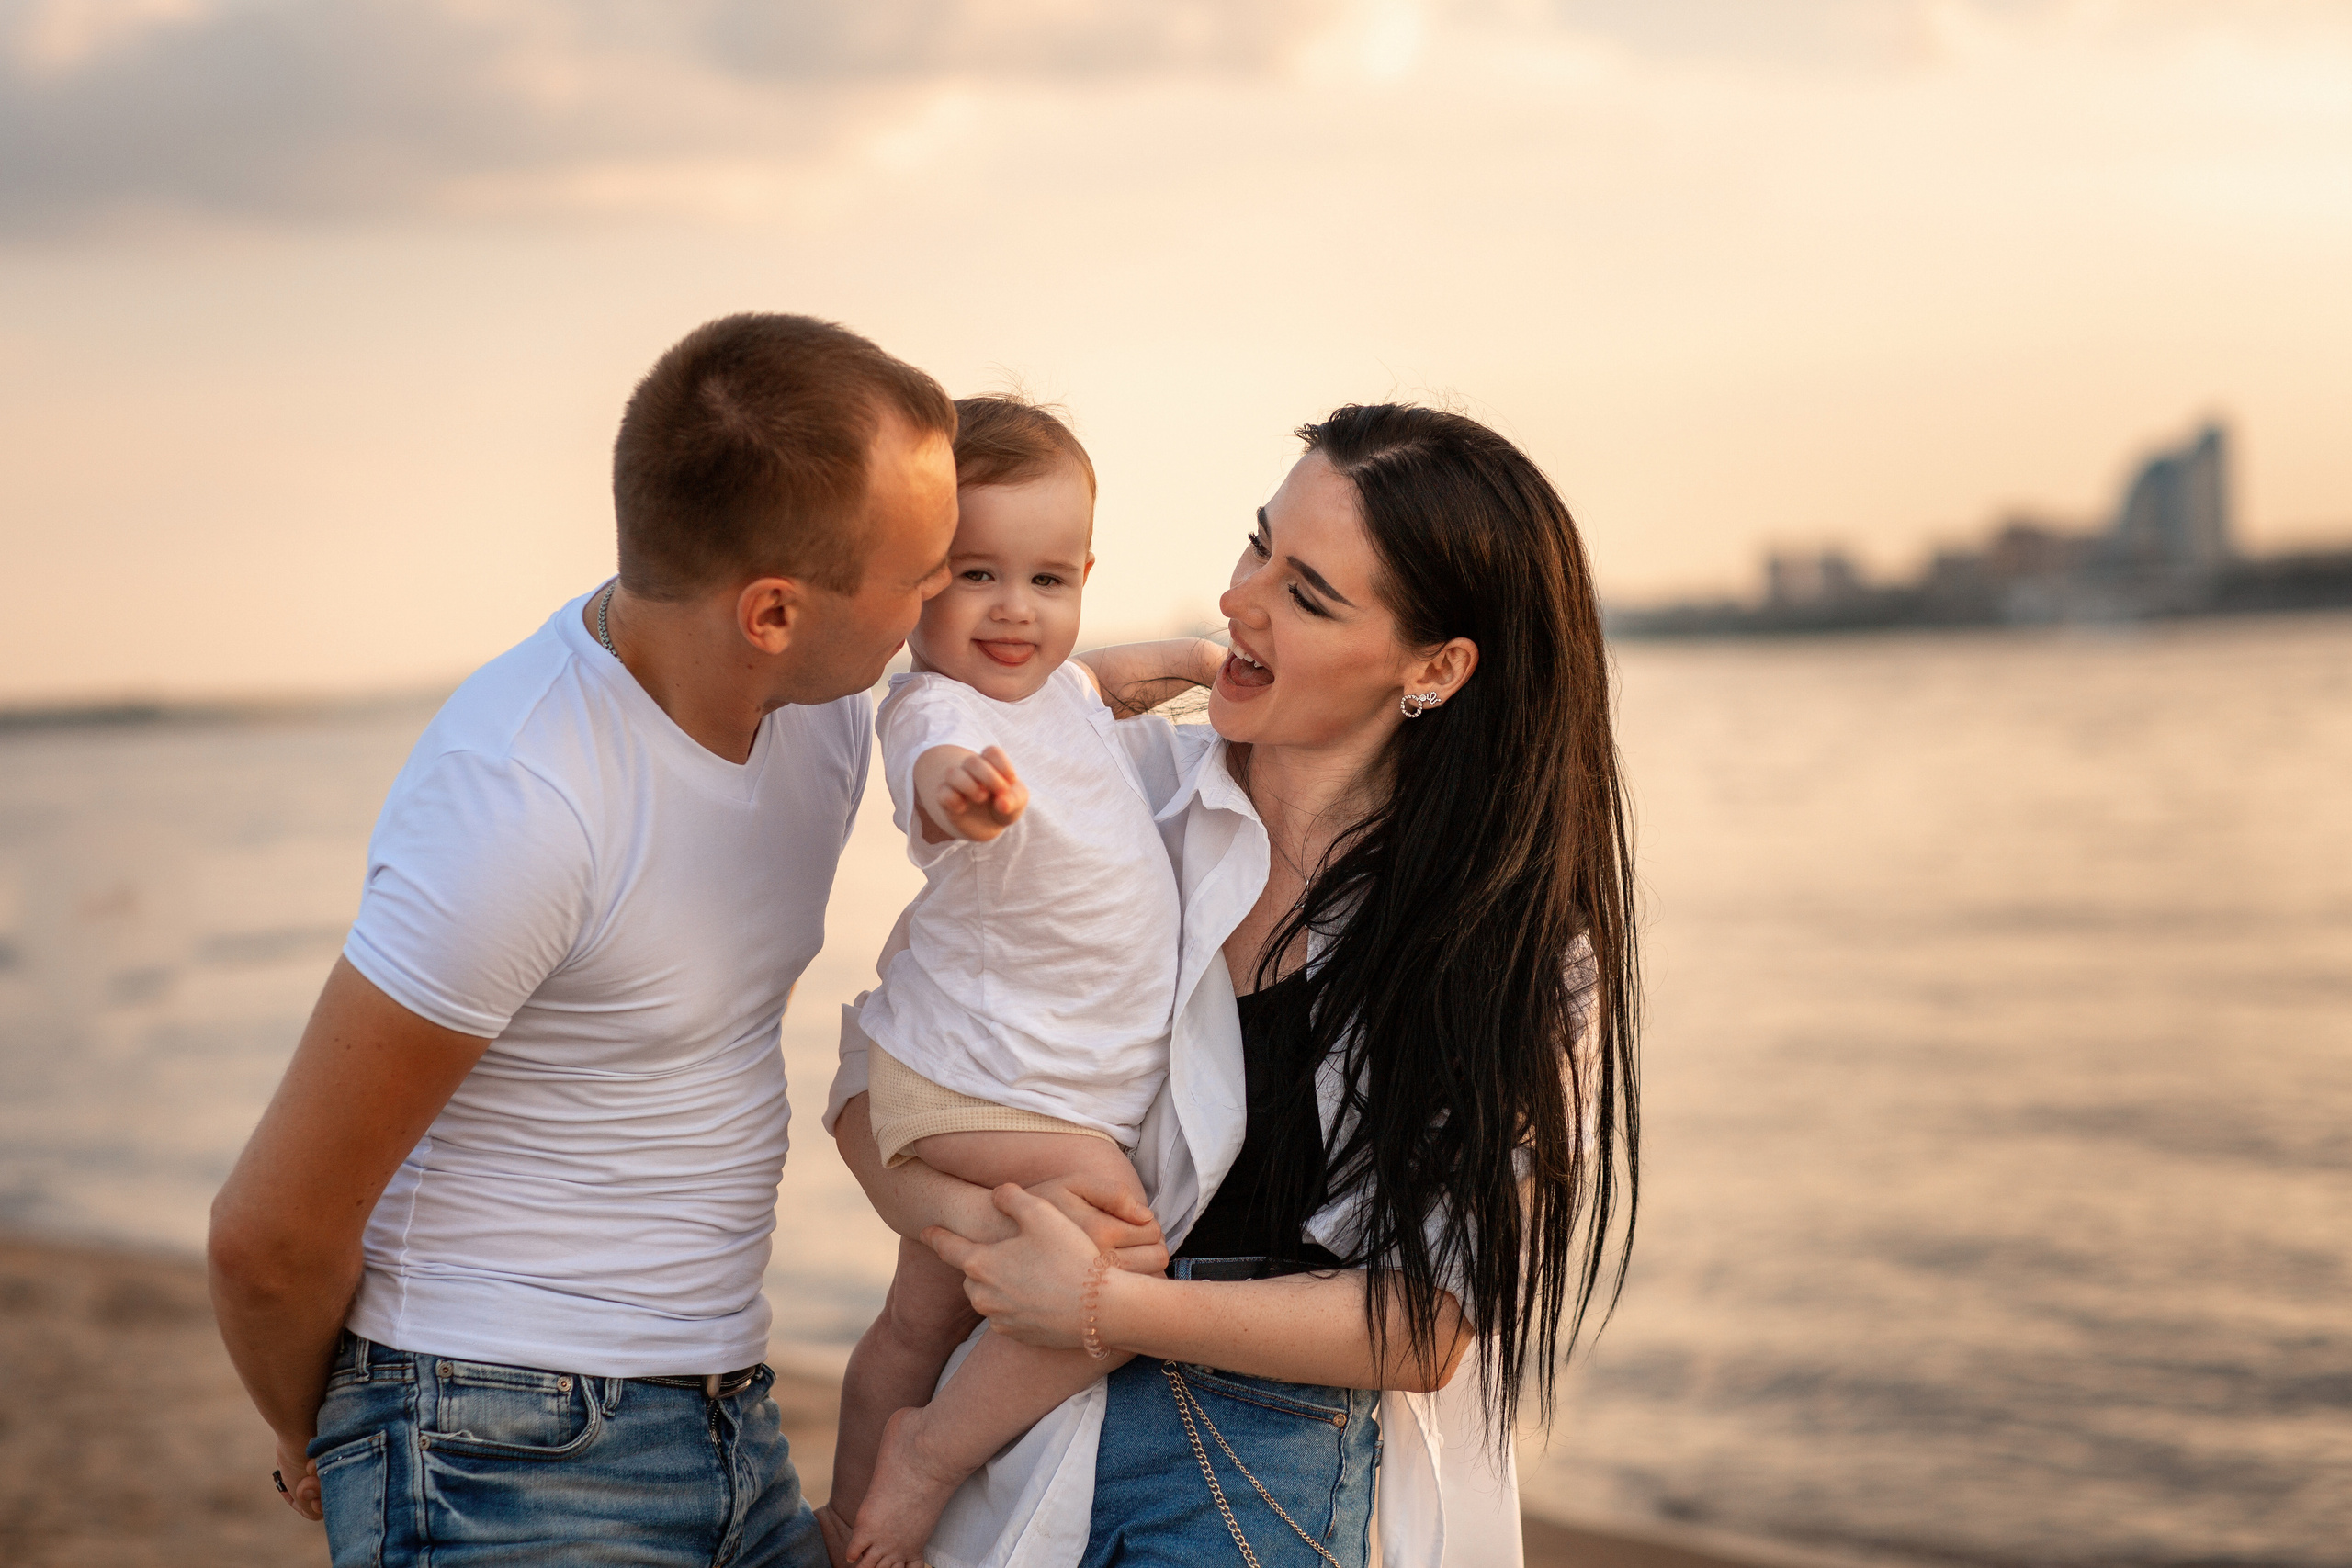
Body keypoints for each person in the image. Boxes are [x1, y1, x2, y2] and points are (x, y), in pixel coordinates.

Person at [203, 315, 1170, 1567]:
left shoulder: (817, 703)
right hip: (497, 1442)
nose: (953, 595)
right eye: (927, 571)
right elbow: (267, 1233)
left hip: (727, 1417)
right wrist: (319, 1444)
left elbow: (1040, 700)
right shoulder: (522, 803)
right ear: (774, 608)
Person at [826, 402, 1641, 1567]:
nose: (1237, 601)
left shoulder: (1509, 945)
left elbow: (1426, 1322)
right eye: (1258, 545)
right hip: (1014, 1452)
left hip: (1269, 1486)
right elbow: (884, 1078)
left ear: (1436, 665)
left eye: (1306, 593)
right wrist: (967, 1233)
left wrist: (1105, 1307)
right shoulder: (1115, 798)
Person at [816, 397, 1226, 1567]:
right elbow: (929, 772)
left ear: (1085, 576)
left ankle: (844, 1525)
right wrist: (966, 799)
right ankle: (926, 1459)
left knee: (919, 1315)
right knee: (1118, 1257)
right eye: (974, 574)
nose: (1014, 609)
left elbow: (1109, 675)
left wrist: (1204, 663)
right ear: (913, 588)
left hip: (1017, 1084)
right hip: (972, 1081)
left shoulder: (1058, 691)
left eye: (1048, 580)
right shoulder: (937, 709)